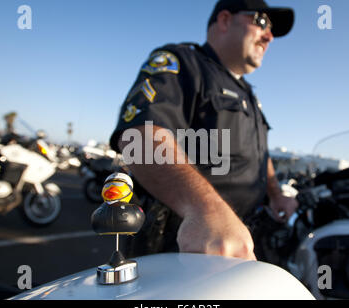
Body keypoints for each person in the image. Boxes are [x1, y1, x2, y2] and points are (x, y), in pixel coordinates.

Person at [110, 0, 298, 261]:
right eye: (262, 22)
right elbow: (139, 138)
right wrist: (205, 209)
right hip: (189, 246)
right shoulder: (183, 63)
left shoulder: (250, 95)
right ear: (224, 20)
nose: (269, 36)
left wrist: (276, 194)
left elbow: (260, 154)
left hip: (248, 237)